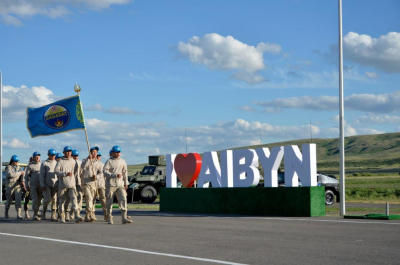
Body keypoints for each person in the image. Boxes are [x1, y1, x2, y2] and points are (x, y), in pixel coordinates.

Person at [103, 146, 132, 225]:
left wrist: (126, 183)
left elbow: (125, 173)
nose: (117, 154)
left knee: (123, 199)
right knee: (109, 200)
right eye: (116, 152)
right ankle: (109, 217)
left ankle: (124, 217)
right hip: (111, 184)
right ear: (112, 153)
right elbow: (105, 172)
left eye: (119, 152)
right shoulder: (109, 161)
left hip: (120, 184)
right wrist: (114, 175)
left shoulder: (123, 161)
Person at [55, 146, 84, 223]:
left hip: (72, 185)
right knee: (62, 201)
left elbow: (76, 173)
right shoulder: (60, 161)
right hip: (62, 185)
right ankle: (62, 216)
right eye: (67, 151)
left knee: (74, 199)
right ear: (64, 152)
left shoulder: (74, 162)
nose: (69, 153)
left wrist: (78, 183)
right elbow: (56, 171)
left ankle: (76, 215)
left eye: (70, 151)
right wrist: (65, 174)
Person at [81, 146, 102, 222]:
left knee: (92, 200)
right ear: (90, 153)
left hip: (94, 183)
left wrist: (97, 176)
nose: (95, 154)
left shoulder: (98, 163)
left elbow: (101, 173)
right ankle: (91, 213)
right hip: (86, 183)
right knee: (88, 198)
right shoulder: (85, 160)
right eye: (93, 152)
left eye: (96, 152)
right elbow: (82, 167)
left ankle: (88, 215)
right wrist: (88, 159)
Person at [4, 155, 25, 219]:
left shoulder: (19, 168)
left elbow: (23, 175)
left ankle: (19, 214)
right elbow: (10, 174)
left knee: (18, 199)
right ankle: (6, 211)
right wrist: (19, 173)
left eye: (17, 161)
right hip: (10, 185)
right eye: (15, 161)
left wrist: (22, 181)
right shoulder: (9, 167)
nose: (17, 162)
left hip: (17, 185)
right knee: (9, 200)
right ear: (12, 161)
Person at [40, 149, 58, 221]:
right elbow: (42, 175)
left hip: (55, 184)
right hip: (47, 185)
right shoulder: (44, 163)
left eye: (54, 155)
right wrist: (42, 185)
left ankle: (53, 215)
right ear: (48, 155)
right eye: (51, 155)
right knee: (47, 200)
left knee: (54, 200)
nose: (53, 156)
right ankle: (43, 212)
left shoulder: (57, 162)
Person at [64, 149, 82, 221]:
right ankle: (67, 212)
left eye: (77, 156)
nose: (75, 157)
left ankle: (76, 212)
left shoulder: (80, 163)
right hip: (70, 183)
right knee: (68, 199)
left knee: (79, 197)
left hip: (78, 183)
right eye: (74, 156)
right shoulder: (68, 162)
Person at [25, 151, 42, 220]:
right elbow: (26, 177)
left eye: (38, 156)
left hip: (41, 185)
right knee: (34, 199)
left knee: (39, 200)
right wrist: (27, 185)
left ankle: (38, 212)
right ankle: (35, 214)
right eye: (36, 156)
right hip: (33, 186)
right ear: (33, 157)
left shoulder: (42, 165)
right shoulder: (30, 166)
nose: (37, 157)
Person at [94, 151, 107, 220]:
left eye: (99, 156)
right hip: (93, 184)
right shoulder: (91, 163)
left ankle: (106, 214)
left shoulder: (102, 165)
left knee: (103, 199)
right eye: (97, 156)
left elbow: (103, 173)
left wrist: (97, 176)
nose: (98, 157)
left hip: (101, 184)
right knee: (92, 200)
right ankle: (91, 214)